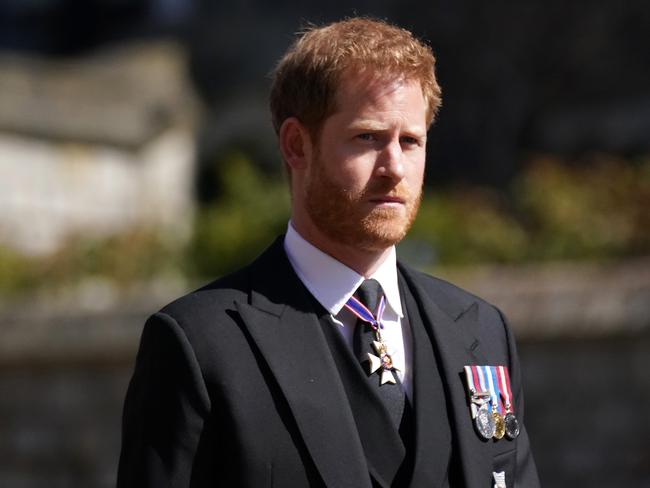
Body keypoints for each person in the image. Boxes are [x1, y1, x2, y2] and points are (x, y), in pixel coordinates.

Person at [117, 17, 540, 488]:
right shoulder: (201, 345)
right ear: (297, 145)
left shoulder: (482, 331)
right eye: (368, 138)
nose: (394, 167)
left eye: (411, 141)